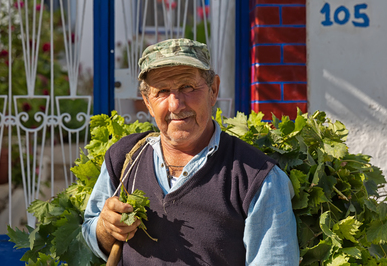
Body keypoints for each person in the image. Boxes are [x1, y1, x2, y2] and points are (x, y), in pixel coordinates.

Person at [82, 38, 299, 265]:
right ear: (147, 101)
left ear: (213, 90)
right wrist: (105, 229)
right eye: (162, 91)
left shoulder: (257, 178)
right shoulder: (124, 159)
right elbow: (90, 233)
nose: (176, 104)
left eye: (187, 87)